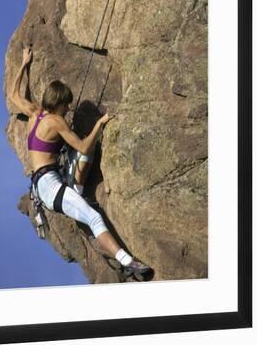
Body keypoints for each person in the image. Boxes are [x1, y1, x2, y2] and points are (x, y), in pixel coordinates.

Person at [9, 46, 152, 279]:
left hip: (48, 182)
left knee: (84, 158)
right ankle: (128, 262)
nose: (67, 109)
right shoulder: (56, 121)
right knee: (94, 217)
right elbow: (84, 146)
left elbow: (14, 95)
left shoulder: (35, 112)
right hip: (50, 186)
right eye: (66, 105)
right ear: (58, 103)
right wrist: (100, 123)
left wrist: (25, 63)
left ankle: (77, 190)